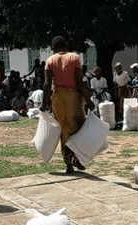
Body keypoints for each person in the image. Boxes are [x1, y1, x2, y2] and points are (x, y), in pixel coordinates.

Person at [40, 36, 95, 173]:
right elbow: (80, 82)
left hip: (58, 98)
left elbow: (47, 84)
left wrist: (44, 103)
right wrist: (88, 101)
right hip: (73, 97)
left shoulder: (50, 60)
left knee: (64, 130)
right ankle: (76, 157)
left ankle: (68, 163)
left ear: (54, 48)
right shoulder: (74, 57)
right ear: (66, 45)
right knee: (79, 128)